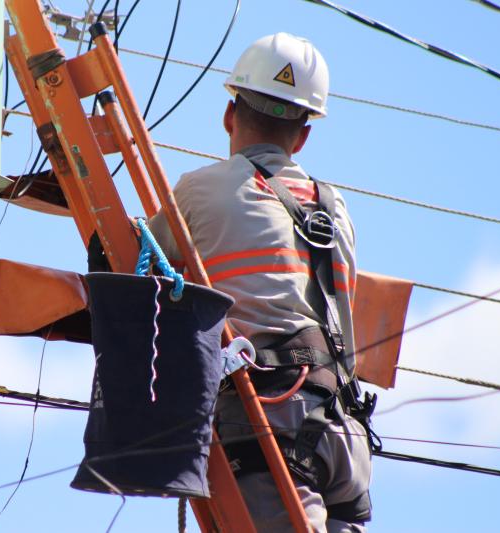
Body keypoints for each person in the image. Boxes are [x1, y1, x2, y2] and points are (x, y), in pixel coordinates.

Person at [148, 32, 373, 532]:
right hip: (343, 431)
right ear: (304, 135)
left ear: (230, 114)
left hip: (272, 422)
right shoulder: (336, 208)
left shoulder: (198, 191)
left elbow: (141, 268)